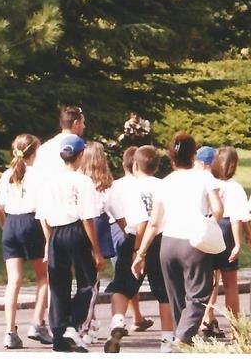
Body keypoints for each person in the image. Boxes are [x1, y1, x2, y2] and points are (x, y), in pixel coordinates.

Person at [130, 132, 223, 351]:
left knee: (177, 297)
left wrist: (141, 253)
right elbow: (218, 209)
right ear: (194, 154)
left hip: (168, 244)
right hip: (194, 242)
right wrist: (209, 224)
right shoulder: (204, 177)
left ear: (171, 157)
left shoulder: (166, 182)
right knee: (198, 295)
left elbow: (154, 222)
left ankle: (184, 344)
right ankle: (182, 338)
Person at [35, 133, 105, 353]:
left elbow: (42, 216)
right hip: (76, 231)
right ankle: (73, 324)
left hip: (55, 232)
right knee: (88, 281)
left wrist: (48, 242)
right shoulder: (83, 181)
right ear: (81, 154)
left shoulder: (50, 182)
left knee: (58, 284)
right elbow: (87, 218)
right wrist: (96, 250)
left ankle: (58, 333)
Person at [104, 145, 172, 352]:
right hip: (161, 239)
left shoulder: (127, 186)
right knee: (164, 292)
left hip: (135, 238)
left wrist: (136, 250)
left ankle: (117, 321)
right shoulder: (164, 185)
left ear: (135, 164)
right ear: (157, 165)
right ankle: (167, 339)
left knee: (122, 285)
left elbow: (130, 218)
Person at [0, 133, 53, 348]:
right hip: (32, 222)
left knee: (14, 281)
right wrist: (49, 239)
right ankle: (38, 322)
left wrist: (6, 227)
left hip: (11, 224)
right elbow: (44, 211)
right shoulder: (39, 176)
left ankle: (9, 330)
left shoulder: (7, 175)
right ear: (35, 152)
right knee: (44, 277)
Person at [201, 146, 248, 339]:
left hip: (209, 226)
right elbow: (237, 217)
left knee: (210, 281)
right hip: (227, 229)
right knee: (230, 284)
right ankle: (235, 328)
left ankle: (206, 318)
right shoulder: (235, 187)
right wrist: (239, 242)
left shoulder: (208, 183)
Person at [78, 140, 118, 344]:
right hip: (98, 225)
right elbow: (113, 210)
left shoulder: (78, 182)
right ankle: (85, 324)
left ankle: (89, 319)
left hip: (79, 226)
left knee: (84, 279)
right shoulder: (105, 186)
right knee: (93, 281)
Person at [111, 146, 154, 333]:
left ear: (124, 164)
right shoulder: (148, 184)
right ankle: (138, 317)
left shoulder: (117, 185)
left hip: (122, 231)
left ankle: (125, 318)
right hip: (145, 233)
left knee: (124, 278)